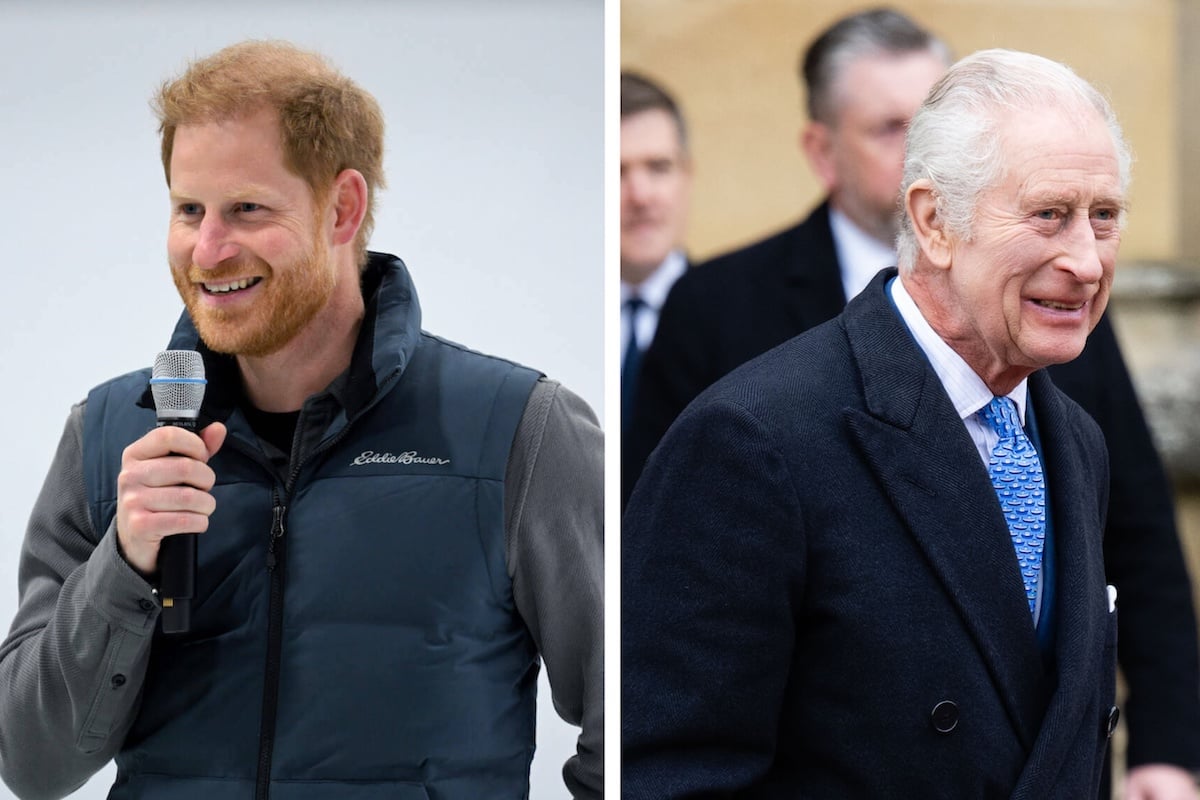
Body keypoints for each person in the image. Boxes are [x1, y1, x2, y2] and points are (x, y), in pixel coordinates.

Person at [0, 41, 602, 800]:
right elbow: (30, 765)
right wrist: (124, 566)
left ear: (342, 208)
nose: (208, 250)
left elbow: (634, 723)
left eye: (247, 209)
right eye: (190, 210)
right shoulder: (109, 437)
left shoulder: (520, 433)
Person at [624, 9, 1200, 798]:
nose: (1087, 260)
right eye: (1049, 215)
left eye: (1104, 216)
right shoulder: (751, 439)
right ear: (933, 222)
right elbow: (673, 767)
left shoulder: (1074, 438)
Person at [620, 71, 692, 430]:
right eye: (618, 172)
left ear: (687, 176)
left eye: (658, 168)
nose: (640, 196)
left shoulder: (744, 315)